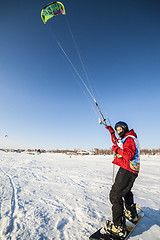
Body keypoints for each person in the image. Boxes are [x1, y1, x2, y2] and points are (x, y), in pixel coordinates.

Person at [104, 121, 140, 237]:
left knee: (115, 194)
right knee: (125, 191)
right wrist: (111, 132)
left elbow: (128, 154)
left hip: (127, 169)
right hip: (131, 169)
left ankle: (118, 227)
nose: (118, 131)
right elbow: (116, 142)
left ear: (125, 128)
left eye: (120, 129)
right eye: (117, 130)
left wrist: (116, 150)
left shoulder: (129, 138)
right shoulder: (127, 138)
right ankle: (131, 213)